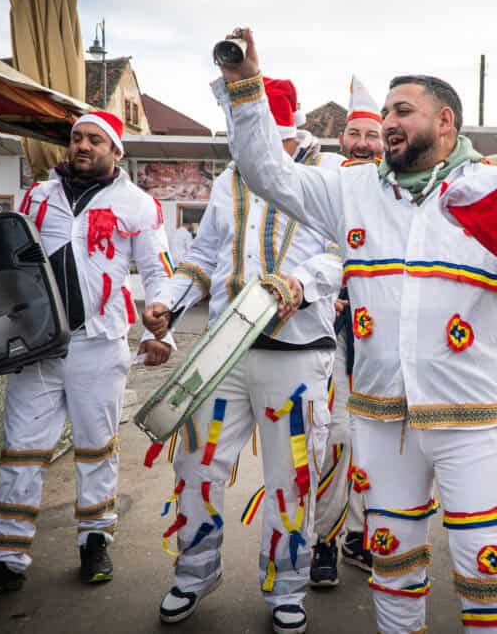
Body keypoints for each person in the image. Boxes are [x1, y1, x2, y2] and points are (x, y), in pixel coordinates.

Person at [167, 27, 497, 634]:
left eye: (402, 111)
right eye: (384, 111)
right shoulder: (351, 189)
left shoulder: (493, 187)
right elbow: (265, 172)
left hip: (474, 417)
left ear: (446, 122)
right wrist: (244, 89)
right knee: (391, 556)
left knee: (484, 566)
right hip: (383, 415)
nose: (387, 122)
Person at [150, 76, 344, 634]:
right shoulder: (228, 180)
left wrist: (300, 285)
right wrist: (166, 302)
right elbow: (204, 254)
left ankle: (287, 588)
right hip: (223, 350)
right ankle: (192, 574)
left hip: (298, 352)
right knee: (196, 465)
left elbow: (343, 252)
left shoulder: (326, 177)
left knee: (291, 476)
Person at [0, 111, 175, 598]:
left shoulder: (138, 204)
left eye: (95, 139)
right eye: (77, 138)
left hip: (99, 344)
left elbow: (158, 271)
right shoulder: (36, 196)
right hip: (36, 344)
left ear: (116, 150)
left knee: (96, 448)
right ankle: (4, 559)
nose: (83, 146)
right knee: (22, 450)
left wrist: (161, 324)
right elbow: (6, 263)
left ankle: (95, 540)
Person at [309, 75, 385, 589]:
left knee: (380, 445)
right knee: (336, 439)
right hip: (333, 334)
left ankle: (362, 533)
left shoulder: (399, 193)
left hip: (383, 344)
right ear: (342, 140)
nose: (361, 144)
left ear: (385, 143)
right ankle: (324, 541)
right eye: (354, 134)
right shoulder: (324, 188)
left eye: (371, 136)